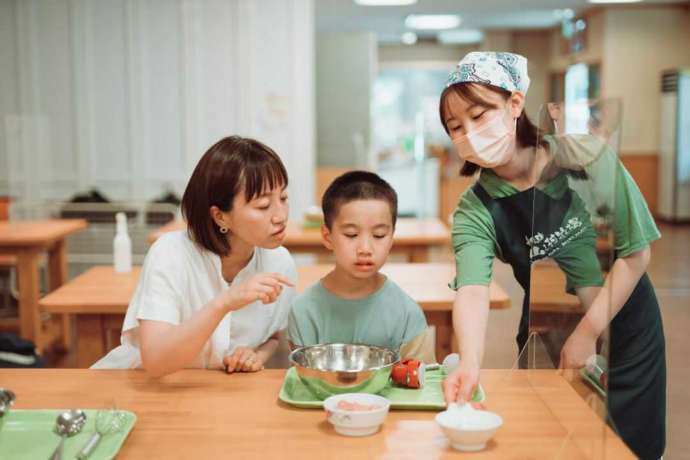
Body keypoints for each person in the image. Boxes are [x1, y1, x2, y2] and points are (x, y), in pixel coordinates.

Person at [439, 52, 665, 459]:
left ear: (514, 104)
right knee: (551, 441)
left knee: (631, 446)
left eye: (479, 115)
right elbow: (472, 289)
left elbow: (635, 254)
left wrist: (588, 332)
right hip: (545, 331)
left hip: (627, 328)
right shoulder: (475, 208)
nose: (469, 134)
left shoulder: (585, 159)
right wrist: (470, 360)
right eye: (456, 126)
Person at [93, 136, 297, 377]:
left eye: (283, 198)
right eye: (263, 205)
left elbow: (272, 335)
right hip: (142, 386)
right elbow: (156, 361)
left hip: (217, 393)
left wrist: (255, 355)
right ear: (220, 216)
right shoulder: (170, 253)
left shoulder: (279, 261)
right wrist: (226, 301)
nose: (280, 215)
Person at [288, 171, 435, 363]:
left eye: (379, 235)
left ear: (392, 237)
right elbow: (303, 382)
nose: (365, 249)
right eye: (351, 234)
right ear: (327, 236)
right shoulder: (304, 311)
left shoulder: (406, 313)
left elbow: (423, 381)